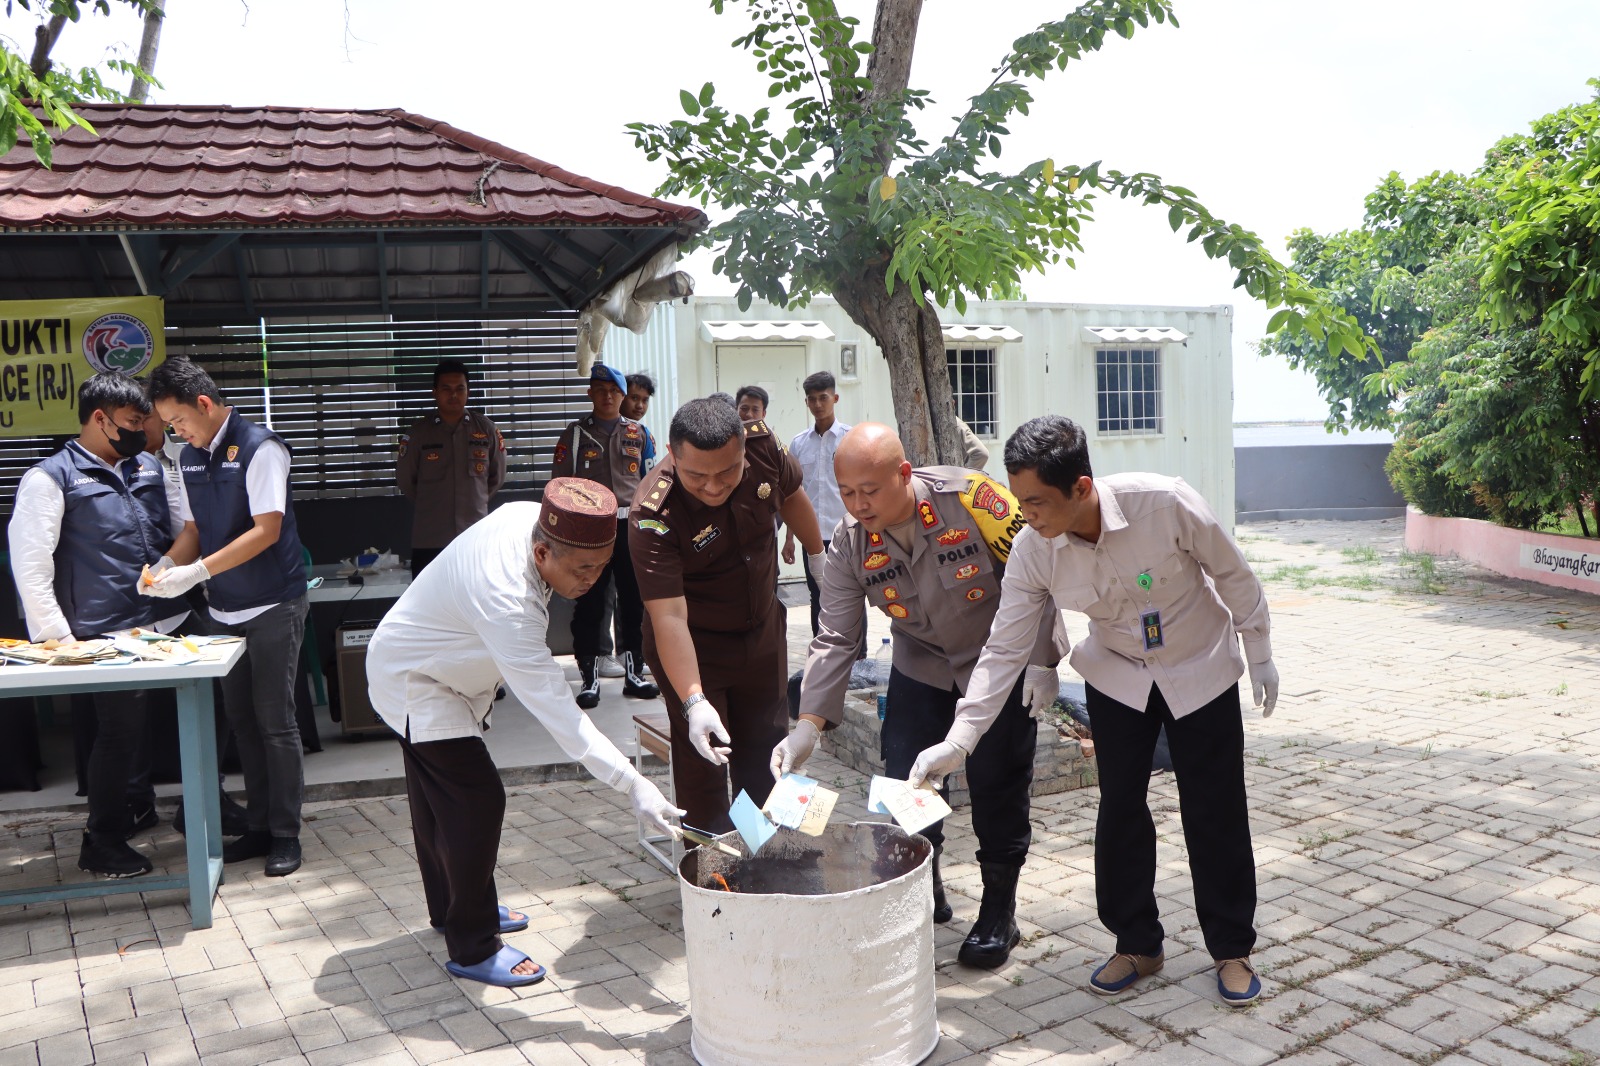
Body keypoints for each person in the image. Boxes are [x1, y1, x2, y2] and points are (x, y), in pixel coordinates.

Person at [908, 415, 1279, 1007]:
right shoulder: (1034, 548)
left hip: (1200, 666)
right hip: (1119, 676)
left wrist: (1257, 650)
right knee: (1121, 810)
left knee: (1215, 810)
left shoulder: (1165, 504)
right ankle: (1137, 942)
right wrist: (962, 738)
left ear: (1081, 487)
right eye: (1019, 498)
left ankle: (1231, 949)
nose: (1024, 514)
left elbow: (1231, 573)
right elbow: (1005, 644)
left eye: (1036, 502)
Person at [366, 478, 683, 988]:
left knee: (438, 799)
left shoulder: (528, 517)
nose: (592, 580)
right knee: (476, 799)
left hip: (431, 663)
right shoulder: (509, 600)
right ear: (542, 551)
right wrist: (633, 782)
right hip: (417, 679)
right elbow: (560, 713)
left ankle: (453, 908)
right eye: (583, 569)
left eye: (602, 566)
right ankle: (473, 944)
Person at [775, 423, 1067, 968]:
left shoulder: (975, 502)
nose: (858, 505)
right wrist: (808, 726)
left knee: (998, 782)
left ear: (904, 475)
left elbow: (1039, 575)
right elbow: (837, 635)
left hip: (997, 665)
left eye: (871, 491)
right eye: (847, 492)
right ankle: (921, 884)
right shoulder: (849, 545)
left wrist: (1042, 661)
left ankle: (999, 911)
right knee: (904, 773)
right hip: (922, 664)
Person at [8, 372, 188, 877]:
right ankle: (102, 839)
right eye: (133, 422)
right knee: (119, 734)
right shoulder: (49, 478)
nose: (142, 432)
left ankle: (167, 808)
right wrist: (57, 639)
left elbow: (176, 532)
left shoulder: (146, 467)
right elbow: (32, 565)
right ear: (99, 419)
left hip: (167, 623)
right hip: (106, 633)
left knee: (199, 715)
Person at [143, 357, 312, 878]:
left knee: (275, 721)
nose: (175, 432)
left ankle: (285, 833)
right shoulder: (190, 457)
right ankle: (258, 825)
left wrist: (196, 571)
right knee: (241, 721)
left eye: (179, 421)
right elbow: (194, 527)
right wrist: (169, 564)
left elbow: (265, 530)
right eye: (169, 426)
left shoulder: (262, 449)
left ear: (205, 404)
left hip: (272, 603)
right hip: (223, 608)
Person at [630, 399, 825, 832]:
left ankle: (774, 862)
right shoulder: (653, 512)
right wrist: (694, 701)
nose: (714, 487)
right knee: (706, 763)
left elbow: (791, 496)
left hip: (761, 632)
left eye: (727, 472)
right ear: (672, 453)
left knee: (770, 750)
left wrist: (817, 557)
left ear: (742, 449)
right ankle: (717, 881)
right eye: (697, 475)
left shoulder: (762, 446)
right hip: (693, 648)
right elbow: (669, 619)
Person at [552, 364, 659, 707]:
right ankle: (589, 679)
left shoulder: (639, 434)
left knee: (634, 601)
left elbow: (653, 482)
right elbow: (560, 486)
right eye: (600, 390)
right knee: (590, 602)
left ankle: (634, 674)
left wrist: (652, 526)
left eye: (613, 391)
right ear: (590, 395)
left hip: (630, 528)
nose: (608, 396)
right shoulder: (575, 435)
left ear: (622, 395)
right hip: (590, 531)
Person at [396, 359, 507, 577]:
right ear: (434, 392)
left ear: (468, 392)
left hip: (474, 535)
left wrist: (475, 500)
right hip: (431, 538)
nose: (453, 395)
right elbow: (406, 480)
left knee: (475, 602)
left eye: (460, 389)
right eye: (446, 389)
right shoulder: (418, 433)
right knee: (429, 607)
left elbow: (497, 476)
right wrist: (433, 503)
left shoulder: (486, 430)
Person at [783, 371, 865, 655]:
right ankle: (824, 655)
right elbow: (794, 494)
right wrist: (790, 538)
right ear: (806, 402)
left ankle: (859, 656)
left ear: (835, 398)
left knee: (851, 595)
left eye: (823, 398)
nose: (818, 404)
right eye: (812, 399)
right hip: (812, 537)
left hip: (848, 535)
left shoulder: (850, 438)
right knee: (817, 596)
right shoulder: (799, 444)